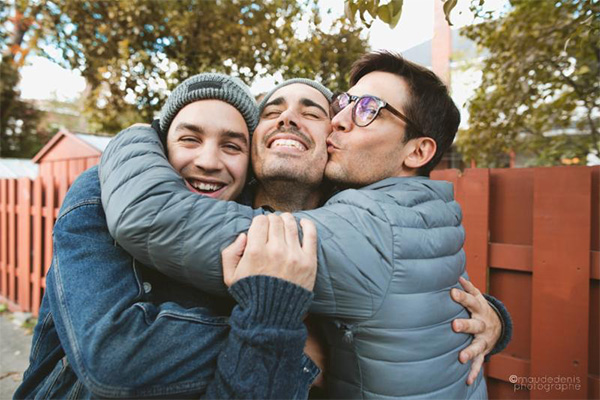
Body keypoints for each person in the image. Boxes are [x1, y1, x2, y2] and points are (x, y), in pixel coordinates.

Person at [98, 52, 512, 398]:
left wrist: (137, 135)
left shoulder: (369, 227)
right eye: (345, 102)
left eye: (368, 109)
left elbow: (147, 214)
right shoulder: (420, 211)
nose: (341, 120)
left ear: (418, 151)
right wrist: (496, 319)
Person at [15, 73, 321, 399]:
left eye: (231, 146)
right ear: (162, 146)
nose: (208, 161)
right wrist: (289, 346)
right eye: (189, 139)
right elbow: (115, 355)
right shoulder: (100, 195)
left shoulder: (252, 227)